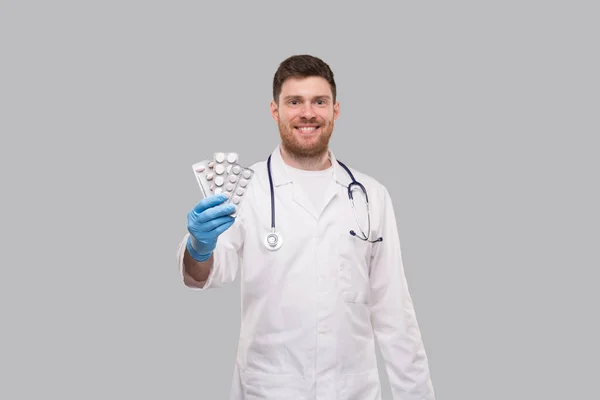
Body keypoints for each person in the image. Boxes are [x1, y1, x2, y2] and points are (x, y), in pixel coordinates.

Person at [176, 54, 435, 400]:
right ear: (274, 110)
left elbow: (394, 312)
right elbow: (202, 276)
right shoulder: (244, 190)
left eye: (319, 102)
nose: (308, 113)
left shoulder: (371, 195)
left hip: (351, 389)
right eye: (294, 101)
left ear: (336, 110)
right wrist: (199, 247)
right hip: (268, 388)